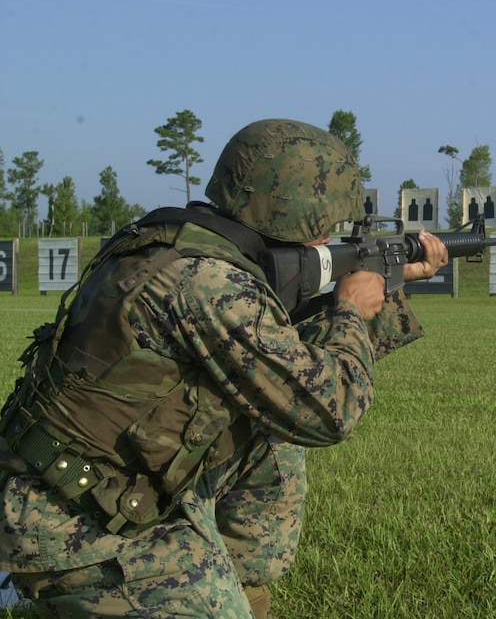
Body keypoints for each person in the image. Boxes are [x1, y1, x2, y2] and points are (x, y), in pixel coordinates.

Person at [0, 118, 448, 617]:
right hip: (73, 518)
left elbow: (279, 372)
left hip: (109, 477)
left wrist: (386, 285)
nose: (328, 234)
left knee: (271, 435)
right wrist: (347, 309)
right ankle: (45, 586)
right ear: (300, 207)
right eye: (326, 219)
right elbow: (327, 409)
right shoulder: (208, 280)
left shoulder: (176, 241)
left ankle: (240, 588)